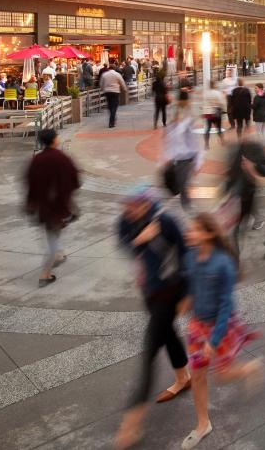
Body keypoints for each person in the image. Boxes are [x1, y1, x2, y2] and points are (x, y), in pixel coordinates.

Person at [179, 213, 265, 450]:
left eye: (194, 229)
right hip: (197, 326)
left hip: (221, 327)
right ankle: (202, 424)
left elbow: (226, 304)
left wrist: (214, 340)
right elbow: (191, 288)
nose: (189, 233)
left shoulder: (223, 264)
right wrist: (184, 304)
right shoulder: (189, 257)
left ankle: (249, 368)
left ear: (208, 233)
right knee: (197, 375)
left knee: (221, 375)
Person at [114, 188, 190, 449]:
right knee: (168, 336)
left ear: (146, 204)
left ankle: (131, 425)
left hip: (170, 292)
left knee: (149, 353)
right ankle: (183, 378)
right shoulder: (125, 219)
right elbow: (122, 243)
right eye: (127, 206)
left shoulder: (166, 221)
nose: (129, 210)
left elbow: (186, 255)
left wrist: (186, 296)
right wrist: (139, 239)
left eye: (134, 206)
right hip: (149, 292)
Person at [24, 129, 81, 287]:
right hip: (58, 207)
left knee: (53, 235)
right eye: (57, 137)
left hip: (43, 207)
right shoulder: (61, 158)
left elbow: (29, 182)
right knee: (52, 241)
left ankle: (58, 255)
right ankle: (45, 274)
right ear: (53, 140)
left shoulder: (37, 160)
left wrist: (31, 204)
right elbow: (75, 180)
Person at [224, 138, 265, 264]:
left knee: (264, 220)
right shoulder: (236, 147)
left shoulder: (255, 147)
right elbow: (232, 172)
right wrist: (226, 191)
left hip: (256, 195)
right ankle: (235, 260)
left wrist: (252, 166)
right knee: (236, 228)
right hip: (242, 198)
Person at [161, 90, 200, 211]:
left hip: (185, 155)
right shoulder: (179, 113)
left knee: (183, 181)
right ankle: (184, 204)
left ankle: (185, 203)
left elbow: (192, 140)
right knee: (180, 181)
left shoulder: (184, 115)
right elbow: (171, 135)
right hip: (179, 155)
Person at [100, 63, 129, 129]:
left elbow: (101, 84)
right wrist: (124, 89)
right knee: (114, 106)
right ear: (115, 68)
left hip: (107, 92)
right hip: (115, 92)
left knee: (110, 106)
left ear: (109, 68)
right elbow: (122, 82)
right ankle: (111, 122)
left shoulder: (104, 74)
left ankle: (112, 117)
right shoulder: (117, 74)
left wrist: (103, 89)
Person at [202, 81, 227, 148]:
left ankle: (206, 144)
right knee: (218, 128)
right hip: (216, 112)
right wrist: (224, 109)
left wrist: (203, 112)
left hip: (208, 113)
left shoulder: (206, 94)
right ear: (214, 85)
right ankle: (222, 141)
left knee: (207, 129)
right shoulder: (217, 93)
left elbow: (204, 104)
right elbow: (222, 102)